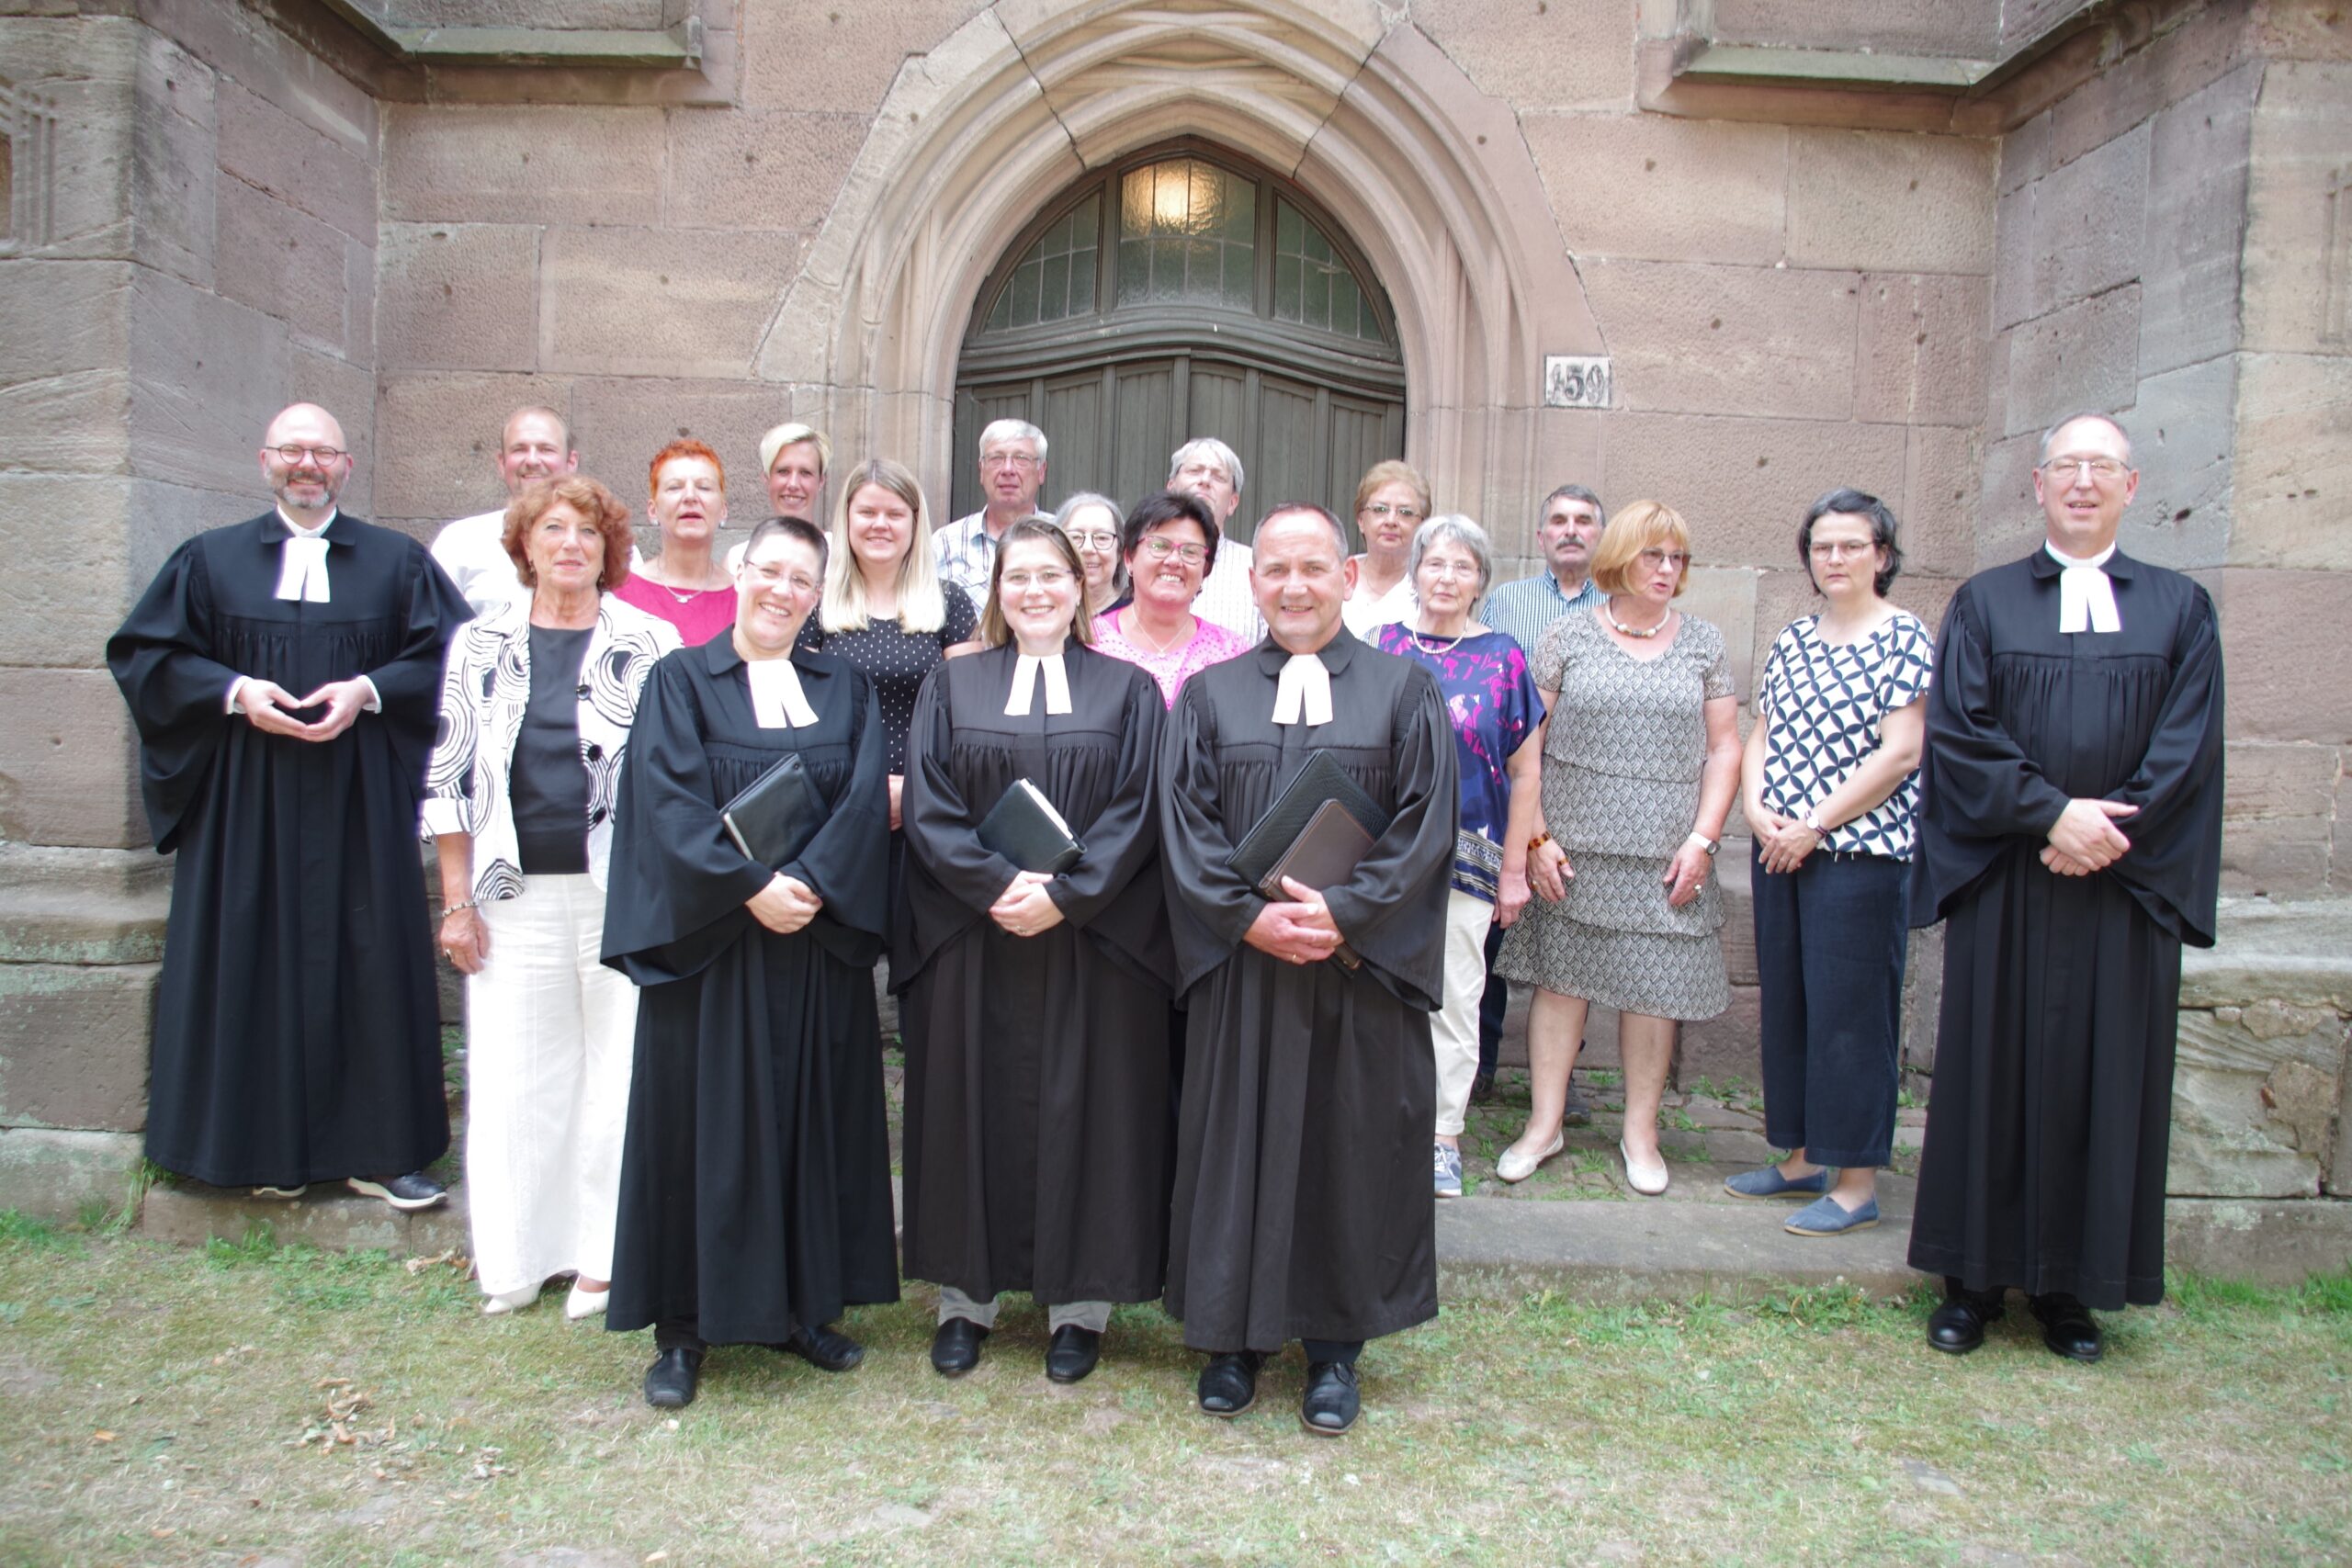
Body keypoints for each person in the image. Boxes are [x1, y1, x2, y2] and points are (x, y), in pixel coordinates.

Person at [1907, 413, 2223, 1362]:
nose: (2083, 481)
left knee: (2104, 1079)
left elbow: (2189, 744)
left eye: (2102, 466)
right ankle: (1971, 1282)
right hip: (2012, 874)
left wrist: (2104, 830)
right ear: (2038, 484)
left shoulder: (2180, 608)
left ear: (2131, 486)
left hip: (2123, 885)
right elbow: (1959, 731)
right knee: (1990, 1074)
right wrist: (2050, 816)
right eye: (2067, 466)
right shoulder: (1986, 602)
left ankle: (2072, 1291)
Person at [107, 402, 471, 1209]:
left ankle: (382, 1154)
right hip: (246, 802)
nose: (308, 465)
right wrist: (234, 690)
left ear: (347, 466)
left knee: (370, 961)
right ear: (265, 459)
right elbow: (146, 655)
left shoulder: (397, 563)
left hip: (360, 801)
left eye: (324, 453)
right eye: (292, 450)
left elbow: (460, 657)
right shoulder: (210, 561)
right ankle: (251, 1151)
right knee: (249, 954)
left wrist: (369, 688)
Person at [1159, 503, 1458, 1437]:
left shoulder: (1405, 691)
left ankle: (1335, 1348)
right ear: (1251, 584)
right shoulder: (1208, 697)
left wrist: (1344, 913)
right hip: (1246, 972)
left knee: (1348, 1150)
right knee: (1235, 1146)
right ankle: (1230, 1339)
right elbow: (1184, 827)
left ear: (1348, 576)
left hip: (1354, 972)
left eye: (1314, 568)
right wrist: (1249, 919)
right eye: (1276, 570)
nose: (1294, 587)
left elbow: (1425, 825)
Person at [599, 516, 900, 1409]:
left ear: (818, 596)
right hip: (713, 950)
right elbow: (666, 803)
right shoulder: (679, 681)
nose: (782, 591)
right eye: (770, 571)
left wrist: (806, 885)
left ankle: (803, 1308)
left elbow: (862, 802)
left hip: (813, 943)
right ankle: (683, 1329)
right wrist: (749, 888)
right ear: (741, 571)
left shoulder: (843, 688)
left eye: (802, 580)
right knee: (699, 1131)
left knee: (810, 1122)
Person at [897, 520, 1173, 1384]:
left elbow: (1139, 810)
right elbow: (930, 805)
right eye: (1018, 576)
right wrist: (995, 886)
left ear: (1081, 585)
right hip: (974, 936)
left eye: (1052, 574)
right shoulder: (953, 684)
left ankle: (1079, 1306)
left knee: (1087, 1111)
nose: (1035, 591)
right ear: (997, 590)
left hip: (1089, 940)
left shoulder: (1129, 691)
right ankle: (964, 1299)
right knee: (966, 1107)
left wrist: (1064, 895)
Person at [424, 477, 681, 1316]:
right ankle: (518, 1255)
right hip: (512, 891)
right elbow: (451, 777)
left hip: (622, 891)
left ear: (611, 552)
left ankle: (605, 1255)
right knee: (515, 1076)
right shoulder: (479, 644)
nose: (572, 544)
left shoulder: (651, 640)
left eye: (589, 533)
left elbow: (675, 774)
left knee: (618, 1075)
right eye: (554, 529)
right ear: (525, 546)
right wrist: (456, 901)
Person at [1492, 502, 1739, 1198]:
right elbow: (1526, 745)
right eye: (1653, 554)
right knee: (1561, 985)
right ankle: (1545, 1125)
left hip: (1666, 856)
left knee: (1652, 992)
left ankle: (1641, 1132)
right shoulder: (1566, 636)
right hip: (1571, 851)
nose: (1667, 569)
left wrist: (1704, 839)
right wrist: (1536, 836)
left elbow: (1725, 747)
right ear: (1621, 558)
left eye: (1677, 558)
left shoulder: (1704, 643)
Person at [1727, 489, 1932, 1238]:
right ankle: (1803, 1157)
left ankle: (1855, 1183)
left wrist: (1814, 824)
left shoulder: (1904, 636)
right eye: (1822, 546)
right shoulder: (1794, 637)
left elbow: (1901, 752)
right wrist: (1755, 808)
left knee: (1852, 1017)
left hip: (1857, 855)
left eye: (1851, 545)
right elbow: (1762, 732)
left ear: (1882, 555)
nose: (1834, 558)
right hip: (1780, 848)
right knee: (1791, 1004)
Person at [1371, 517, 1545, 1199]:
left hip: (1470, 859)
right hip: (1382, 858)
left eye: (1462, 567)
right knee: (1376, 995)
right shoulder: (1378, 646)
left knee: (1453, 998)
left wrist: (1514, 870)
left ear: (1481, 581)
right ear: (1415, 572)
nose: (1446, 578)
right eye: (1435, 564)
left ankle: (1442, 1136)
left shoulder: (1504, 658)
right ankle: (1376, 1124)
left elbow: (1525, 774)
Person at [1474, 482, 1607, 1109]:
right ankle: (1481, 1063)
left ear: (1600, 535)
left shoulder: (1617, 604)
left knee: (1567, 935)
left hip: (1585, 787)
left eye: (1583, 520)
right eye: (1558, 520)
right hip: (1510, 782)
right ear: (1541, 536)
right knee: (1493, 929)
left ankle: (1561, 1076)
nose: (1570, 530)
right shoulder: (1507, 602)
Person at [797, 458, 980, 901]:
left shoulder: (949, 603)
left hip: (924, 806)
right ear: (846, 518)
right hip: (834, 808)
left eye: (895, 514)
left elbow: (968, 717)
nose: (880, 524)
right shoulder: (815, 603)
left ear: (915, 523)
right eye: (867, 512)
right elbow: (799, 717)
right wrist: (860, 793)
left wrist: (913, 790)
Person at [1089, 491, 1253, 708]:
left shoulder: (1232, 653)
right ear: (1129, 558)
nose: (1174, 560)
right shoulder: (1090, 642)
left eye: (1190, 551)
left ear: (1205, 568)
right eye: (1159, 546)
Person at [431, 406, 581, 617]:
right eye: (519, 449)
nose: (532, 460)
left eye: (546, 449)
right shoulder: (458, 541)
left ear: (571, 462)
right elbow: (436, 630)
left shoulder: (606, 544)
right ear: (502, 463)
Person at [612, 439, 737, 645]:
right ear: (652, 510)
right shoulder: (618, 594)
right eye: (674, 487)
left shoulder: (745, 599)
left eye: (704, 487)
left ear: (723, 510)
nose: (690, 497)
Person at [933, 420, 1052, 598]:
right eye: (996, 458)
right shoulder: (944, 543)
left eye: (1021, 459)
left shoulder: (1064, 536)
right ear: (981, 470)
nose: (1008, 469)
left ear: (1041, 471)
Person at [1167, 438, 1263, 642]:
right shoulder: (1143, 557)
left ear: (1233, 503)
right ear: (1171, 488)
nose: (1205, 481)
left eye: (1218, 477)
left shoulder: (1256, 567)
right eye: (1194, 471)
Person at [1340, 460, 1430, 636]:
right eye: (1380, 509)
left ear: (1422, 525)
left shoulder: (1429, 589)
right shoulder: (1337, 576)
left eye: (1405, 512)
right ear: (1361, 520)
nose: (1391, 521)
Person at [1054, 491, 1126, 618]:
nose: (1088, 548)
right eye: (1075, 537)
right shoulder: (1044, 613)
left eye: (1102, 538)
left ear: (1120, 552)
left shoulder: (1137, 616)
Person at [761, 421, 831, 525]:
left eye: (805, 473)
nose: (793, 484)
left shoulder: (838, 537)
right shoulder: (755, 537)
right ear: (767, 478)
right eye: (783, 471)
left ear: (821, 481)